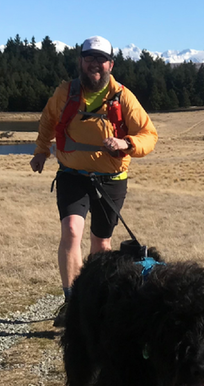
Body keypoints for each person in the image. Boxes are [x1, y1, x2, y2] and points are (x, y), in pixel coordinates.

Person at [30, 36, 158, 324]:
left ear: (110, 64)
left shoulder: (124, 97)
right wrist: (41, 151)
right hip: (72, 175)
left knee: (101, 243)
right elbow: (48, 120)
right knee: (72, 231)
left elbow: (149, 135)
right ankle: (73, 302)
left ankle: (98, 300)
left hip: (111, 179)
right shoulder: (65, 93)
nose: (95, 65)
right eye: (89, 59)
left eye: (101, 59)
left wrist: (126, 144)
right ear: (81, 62)